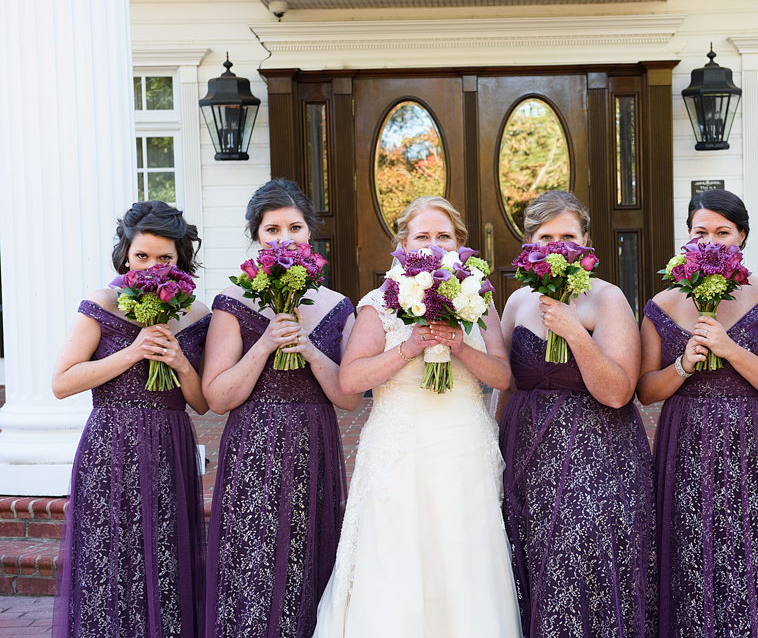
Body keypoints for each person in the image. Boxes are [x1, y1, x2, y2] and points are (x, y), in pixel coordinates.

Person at [312, 195, 520, 638]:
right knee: (396, 561)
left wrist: (460, 345)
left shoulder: (478, 300)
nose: (432, 243)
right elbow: (350, 380)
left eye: (443, 236)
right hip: (399, 449)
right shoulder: (378, 302)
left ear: (459, 245)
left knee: (464, 559)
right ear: (403, 244)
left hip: (462, 447)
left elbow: (502, 377)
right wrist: (409, 346)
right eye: (421, 235)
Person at [637, 189, 758, 638]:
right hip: (687, 443)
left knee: (754, 555)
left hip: (754, 443)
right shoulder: (661, 305)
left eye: (723, 232)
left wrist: (730, 350)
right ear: (686, 240)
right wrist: (682, 365)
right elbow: (646, 391)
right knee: (692, 554)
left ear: (742, 237)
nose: (711, 241)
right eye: (700, 232)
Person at [202, 178, 359, 638]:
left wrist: (310, 351)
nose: (285, 238)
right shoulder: (232, 304)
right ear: (257, 237)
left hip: (315, 444)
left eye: (294, 227)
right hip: (255, 443)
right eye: (273, 229)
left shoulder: (339, 306)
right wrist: (266, 343)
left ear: (310, 234)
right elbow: (217, 397)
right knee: (254, 560)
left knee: (310, 557)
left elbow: (349, 398)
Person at [496, 190, 656, 637]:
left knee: (577, 557)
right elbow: (508, 384)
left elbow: (620, 392)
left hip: (594, 452)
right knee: (528, 555)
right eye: (545, 237)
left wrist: (574, 331)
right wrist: (494, 448)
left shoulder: (608, 299)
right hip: (526, 454)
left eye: (568, 235)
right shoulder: (517, 303)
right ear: (530, 247)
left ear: (586, 243)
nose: (557, 246)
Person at [51, 200, 210, 638]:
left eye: (165, 258)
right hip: (111, 446)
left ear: (180, 260)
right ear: (126, 254)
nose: (152, 267)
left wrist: (180, 363)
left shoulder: (198, 314)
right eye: (142, 256)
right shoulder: (101, 302)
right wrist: (133, 352)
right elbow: (62, 382)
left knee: (166, 560)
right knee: (110, 560)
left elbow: (201, 403)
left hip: (170, 447)